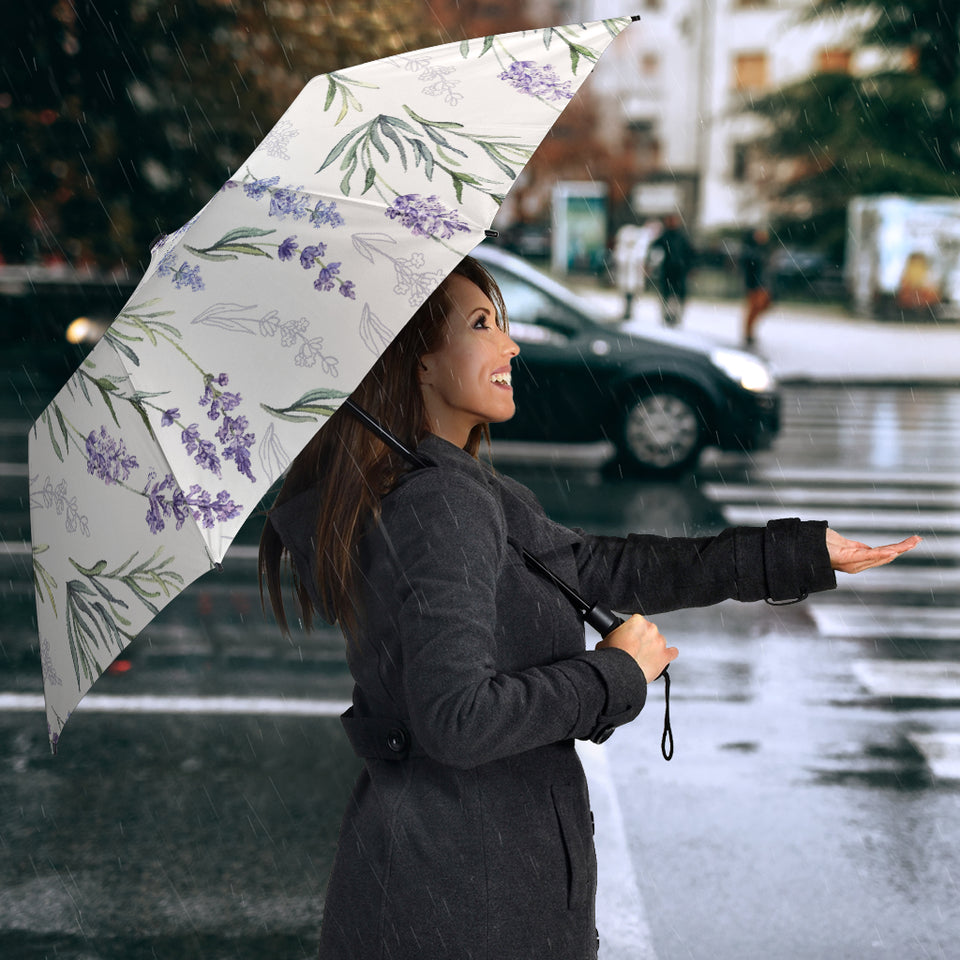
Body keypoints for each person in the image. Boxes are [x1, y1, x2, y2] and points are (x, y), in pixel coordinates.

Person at [258, 256, 919, 960]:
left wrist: (795, 554)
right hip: (469, 903)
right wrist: (615, 674)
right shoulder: (441, 504)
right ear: (417, 361)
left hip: (448, 883)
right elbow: (457, 719)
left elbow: (599, 567)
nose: (511, 345)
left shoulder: (444, 488)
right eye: (482, 325)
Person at [648, 213, 695, 327]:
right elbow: (654, 249)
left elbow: (690, 253)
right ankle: (667, 315)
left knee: (677, 295)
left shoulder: (681, 237)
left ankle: (675, 316)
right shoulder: (665, 236)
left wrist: (690, 267)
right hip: (668, 271)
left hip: (679, 271)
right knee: (667, 294)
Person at [741, 226, 773, 347]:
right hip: (754, 284)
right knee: (754, 308)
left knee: (761, 306)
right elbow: (750, 266)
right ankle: (748, 333)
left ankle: (749, 331)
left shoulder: (762, 249)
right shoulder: (751, 250)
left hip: (762, 283)